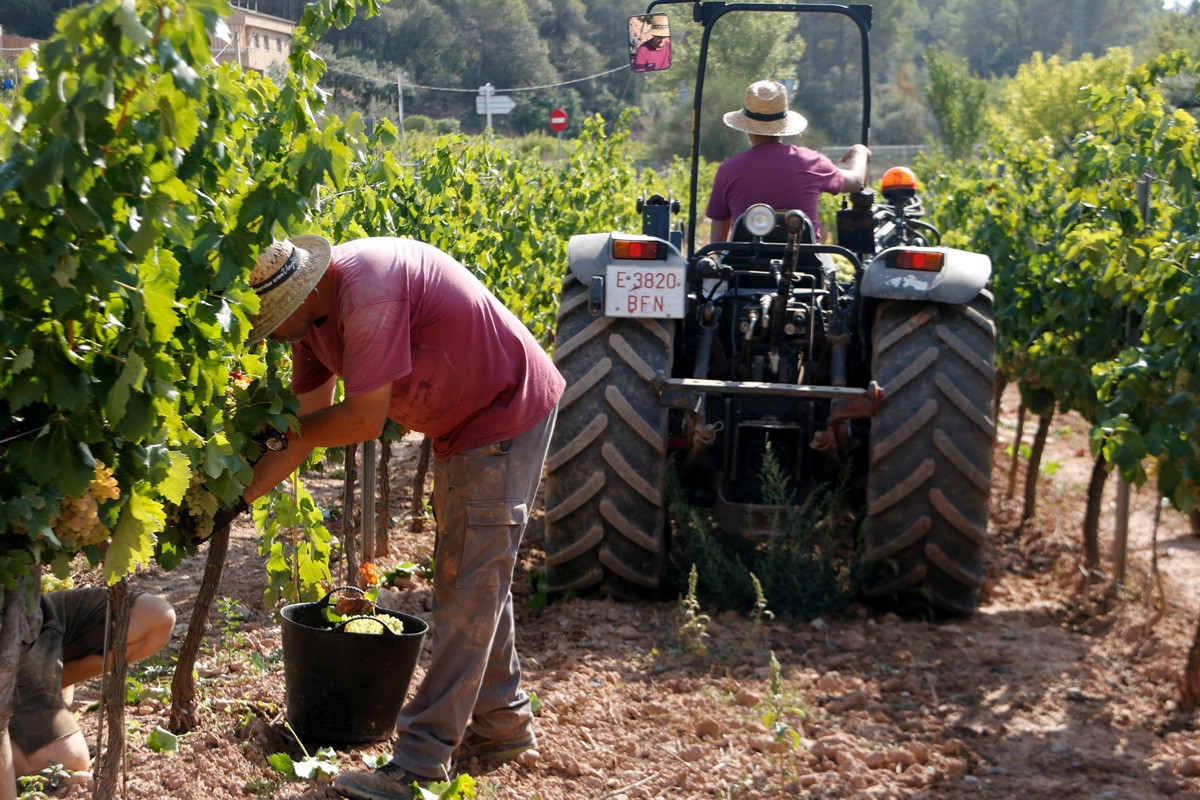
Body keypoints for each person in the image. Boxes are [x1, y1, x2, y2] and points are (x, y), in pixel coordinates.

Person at [238, 236, 565, 800]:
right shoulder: (309, 322)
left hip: (503, 408)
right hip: (460, 422)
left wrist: (280, 437)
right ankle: (502, 725)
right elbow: (302, 432)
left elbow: (363, 420)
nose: (277, 330)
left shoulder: (367, 293)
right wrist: (233, 503)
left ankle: (420, 760)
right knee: (474, 571)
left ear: (308, 286)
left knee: (468, 582)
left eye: (278, 316)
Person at [9, 587, 175, 784]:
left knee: (156, 618)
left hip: (34, 611)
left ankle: (46, 686)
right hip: (8, 636)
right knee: (69, 761)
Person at [705, 79, 870, 243]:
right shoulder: (811, 161)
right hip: (804, 264)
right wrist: (860, 152)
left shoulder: (728, 170)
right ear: (784, 126)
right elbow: (856, 182)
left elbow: (717, 244)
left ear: (746, 129)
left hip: (743, 265)